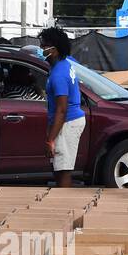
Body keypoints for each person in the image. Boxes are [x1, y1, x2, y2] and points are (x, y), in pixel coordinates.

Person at [39, 27, 86, 189]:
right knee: (58, 167)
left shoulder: (59, 74)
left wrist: (50, 139)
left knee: (63, 170)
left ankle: (64, 206)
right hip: (67, 120)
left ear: (54, 50)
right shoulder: (64, 65)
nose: (41, 49)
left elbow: (62, 109)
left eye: (44, 46)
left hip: (68, 122)